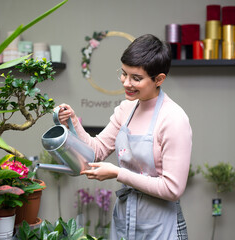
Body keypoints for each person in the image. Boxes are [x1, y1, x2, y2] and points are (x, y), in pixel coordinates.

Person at [57, 34, 192, 240]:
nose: (126, 83)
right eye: (124, 74)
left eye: (136, 78)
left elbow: (172, 189)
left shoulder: (173, 119)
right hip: (125, 220)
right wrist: (74, 122)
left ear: (159, 79)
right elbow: (97, 150)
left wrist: (118, 173)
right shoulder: (126, 109)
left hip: (161, 227)